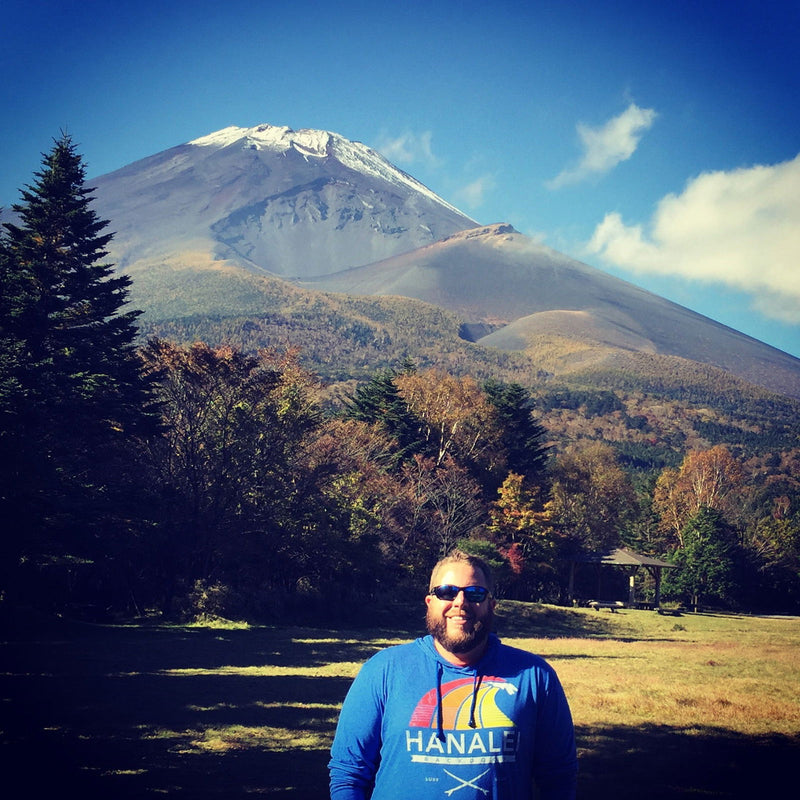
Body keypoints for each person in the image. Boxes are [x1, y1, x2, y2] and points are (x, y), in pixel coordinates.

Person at [329, 549, 578, 799]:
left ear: (491, 605)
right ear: (430, 602)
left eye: (474, 593)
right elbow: (348, 772)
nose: (460, 603)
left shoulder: (535, 676)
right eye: (446, 592)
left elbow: (558, 777)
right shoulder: (383, 670)